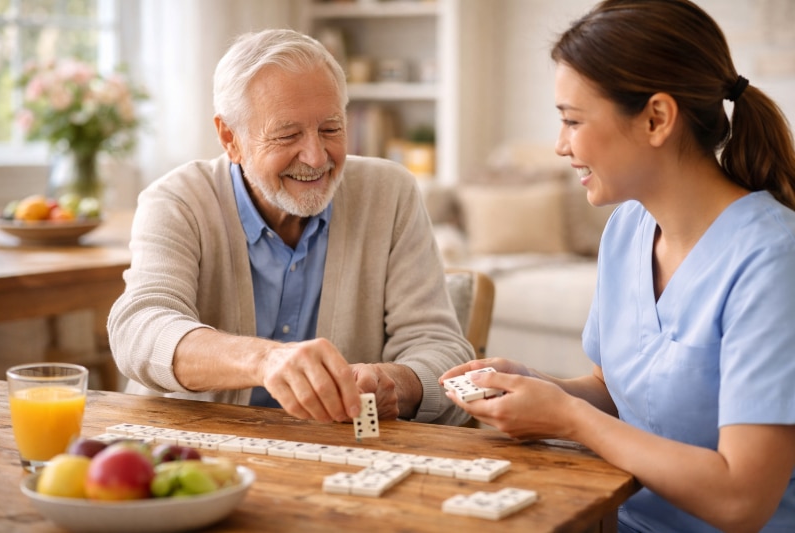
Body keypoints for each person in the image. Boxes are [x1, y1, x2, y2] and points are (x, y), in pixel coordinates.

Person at [440, 1, 795, 531]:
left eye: (572, 121)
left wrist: (569, 419)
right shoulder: (628, 228)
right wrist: (537, 386)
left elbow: (742, 500)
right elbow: (614, 392)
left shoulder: (773, 260)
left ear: (656, 118)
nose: (561, 146)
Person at [108, 28, 474, 426]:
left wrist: (396, 384)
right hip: (193, 454)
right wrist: (265, 360)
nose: (317, 158)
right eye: (287, 135)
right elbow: (140, 329)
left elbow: (442, 348)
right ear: (231, 138)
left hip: (337, 456)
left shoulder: (391, 192)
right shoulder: (177, 200)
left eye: (331, 129)